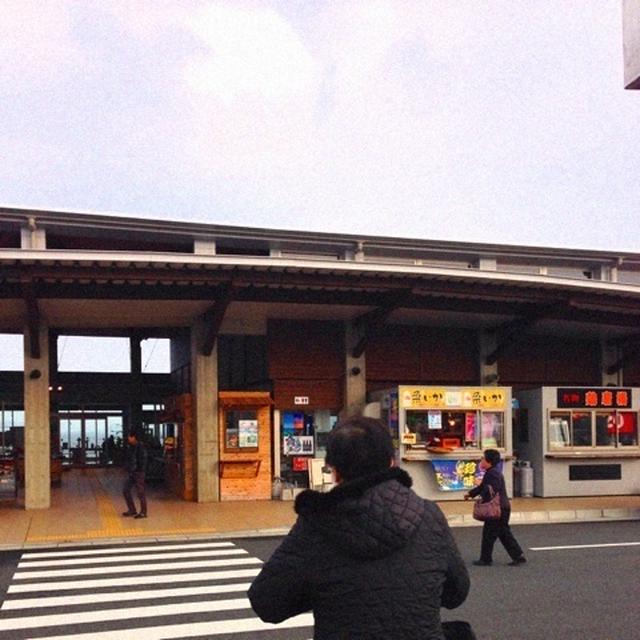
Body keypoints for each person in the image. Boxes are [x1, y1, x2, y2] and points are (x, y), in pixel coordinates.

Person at [248, 416, 474, 640]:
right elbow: (456, 593)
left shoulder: (317, 524)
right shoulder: (429, 515)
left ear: (334, 471)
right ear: (391, 463)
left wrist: (324, 589)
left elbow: (267, 603)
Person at [464, 448, 526, 566]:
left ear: (489, 461)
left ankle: (486, 559)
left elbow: (490, 490)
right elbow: (484, 487)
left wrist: (478, 486)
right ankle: (518, 555)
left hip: (498, 508)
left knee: (489, 534)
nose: (481, 460)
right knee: (503, 533)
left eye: (483, 458)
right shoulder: (493, 472)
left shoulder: (492, 473)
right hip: (502, 507)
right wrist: (471, 494)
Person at [122, 428, 148, 519]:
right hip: (132, 472)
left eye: (129, 436)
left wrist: (138, 470)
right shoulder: (131, 447)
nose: (128, 438)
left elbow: (143, 460)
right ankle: (132, 509)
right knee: (125, 490)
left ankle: (143, 512)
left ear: (134, 437)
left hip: (138, 472)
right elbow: (130, 459)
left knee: (140, 492)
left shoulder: (140, 447)